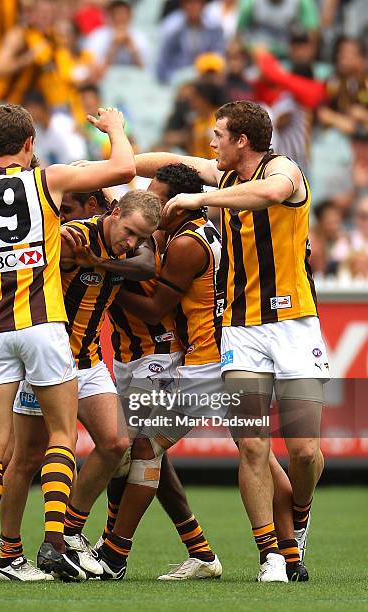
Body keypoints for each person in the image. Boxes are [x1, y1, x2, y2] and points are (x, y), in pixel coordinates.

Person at [0, 101, 136, 583]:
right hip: (46, 327)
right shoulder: (44, 180)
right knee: (61, 435)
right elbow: (125, 169)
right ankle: (54, 542)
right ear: (29, 145)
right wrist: (115, 128)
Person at [152, 100, 328, 582]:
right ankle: (272, 554)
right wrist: (106, 159)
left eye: (218, 135)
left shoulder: (283, 170)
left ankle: (302, 511)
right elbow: (167, 162)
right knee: (251, 442)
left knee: (306, 452)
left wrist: (198, 200)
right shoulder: (224, 177)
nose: (211, 144)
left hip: (294, 326)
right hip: (240, 330)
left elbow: (269, 194)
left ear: (242, 141)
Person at [102, 163, 223, 581]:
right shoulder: (181, 231)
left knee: (144, 450)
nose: (153, 203)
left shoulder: (188, 244)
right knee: (144, 450)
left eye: (160, 197)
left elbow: (156, 308)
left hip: (205, 366)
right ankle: (206, 554)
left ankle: (115, 554)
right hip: (201, 359)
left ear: (181, 202)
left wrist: (104, 278)